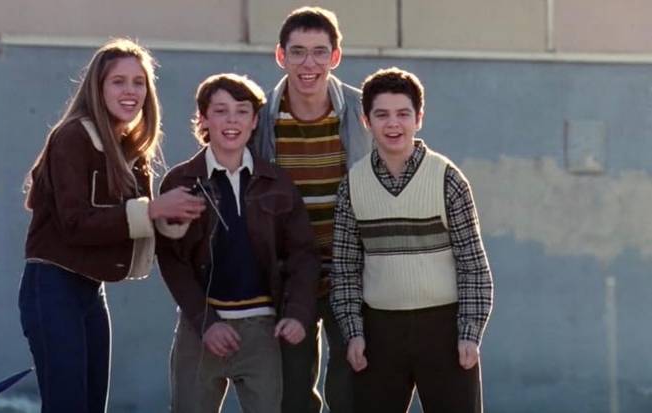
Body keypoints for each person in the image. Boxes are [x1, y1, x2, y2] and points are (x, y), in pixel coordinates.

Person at [19, 38, 205, 413]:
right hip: (53, 286)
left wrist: (176, 216)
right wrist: (154, 210)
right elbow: (75, 223)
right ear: (97, 88)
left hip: (92, 289)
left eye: (139, 82)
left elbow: (137, 221)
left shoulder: (130, 148)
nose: (130, 91)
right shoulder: (73, 137)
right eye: (118, 81)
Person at [330, 67, 494, 412]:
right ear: (366, 121)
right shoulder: (352, 186)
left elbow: (473, 265)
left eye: (403, 114)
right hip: (379, 333)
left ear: (419, 118)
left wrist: (469, 332)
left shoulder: (447, 179)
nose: (393, 124)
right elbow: (345, 270)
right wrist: (353, 332)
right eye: (382, 115)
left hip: (444, 331)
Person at [155, 73, 320, 413]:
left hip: (263, 330)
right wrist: (206, 322)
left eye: (242, 111)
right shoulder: (181, 181)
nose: (232, 120)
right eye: (220, 111)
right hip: (200, 329)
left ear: (255, 120)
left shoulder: (277, 182)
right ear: (203, 119)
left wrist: (298, 313)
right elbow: (173, 262)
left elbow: (303, 254)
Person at [251, 6, 371, 412]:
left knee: (351, 393)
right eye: (298, 51)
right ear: (280, 55)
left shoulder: (361, 111)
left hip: (350, 277)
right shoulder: (259, 119)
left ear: (335, 56)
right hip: (286, 280)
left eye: (320, 52)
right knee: (291, 397)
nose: (309, 64)